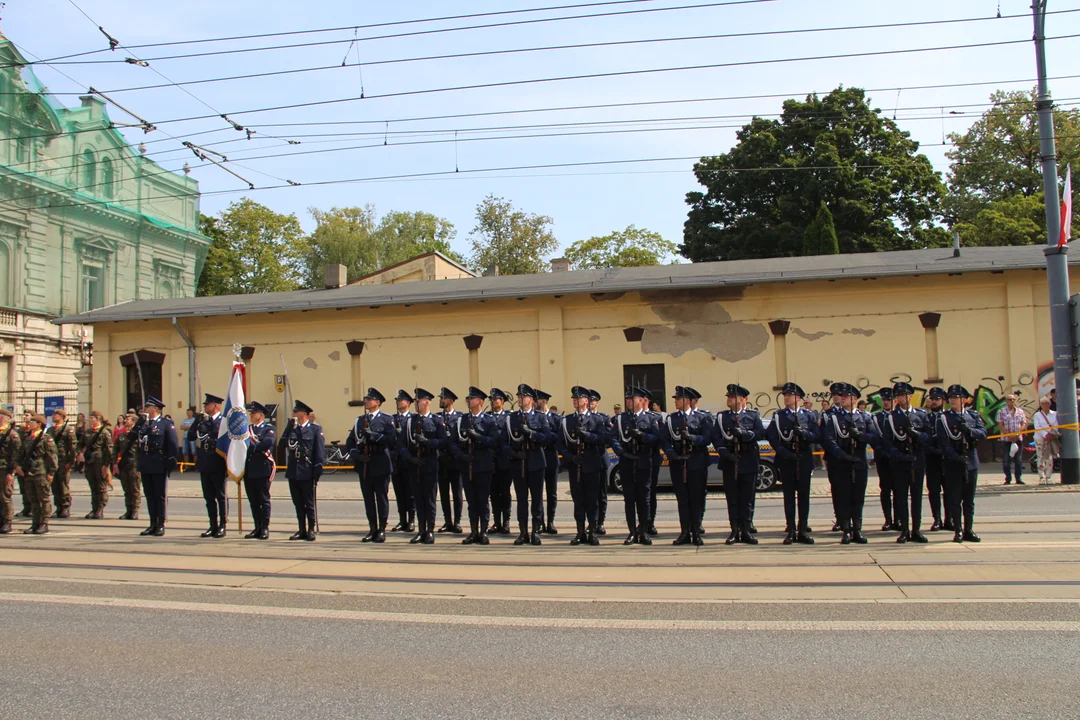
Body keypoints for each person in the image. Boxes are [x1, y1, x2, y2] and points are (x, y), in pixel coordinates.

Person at [821, 383, 877, 544]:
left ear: (854, 399)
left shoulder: (865, 417)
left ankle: (857, 529)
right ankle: (846, 530)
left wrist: (861, 436)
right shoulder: (834, 418)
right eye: (841, 396)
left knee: (858, 497)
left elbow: (875, 438)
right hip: (842, 463)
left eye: (845, 396)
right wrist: (842, 454)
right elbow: (829, 439)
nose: (842, 398)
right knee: (843, 497)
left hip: (859, 462)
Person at [713, 383, 765, 545]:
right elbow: (716, 438)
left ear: (743, 399)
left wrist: (745, 434)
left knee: (747, 498)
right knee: (733, 498)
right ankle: (734, 529)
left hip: (748, 460)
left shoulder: (752, 415)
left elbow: (761, 433)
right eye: (728, 396)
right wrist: (726, 454)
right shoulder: (722, 417)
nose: (729, 399)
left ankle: (746, 530)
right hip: (730, 462)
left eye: (733, 397)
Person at [766, 382, 817, 545]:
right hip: (787, 459)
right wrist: (784, 452)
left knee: (804, 496)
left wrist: (805, 434)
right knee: (789, 496)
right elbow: (772, 436)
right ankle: (791, 529)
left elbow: (817, 436)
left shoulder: (809, 416)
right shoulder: (779, 415)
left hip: (803, 459)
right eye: (785, 395)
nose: (786, 398)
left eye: (790, 395)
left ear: (798, 398)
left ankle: (803, 529)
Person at [936, 385, 988, 542]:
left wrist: (969, 431)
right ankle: (957, 530)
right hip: (954, 463)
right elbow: (943, 442)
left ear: (963, 400)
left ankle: (968, 529)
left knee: (969, 499)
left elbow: (983, 433)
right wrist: (955, 457)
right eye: (950, 397)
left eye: (956, 397)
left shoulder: (972, 416)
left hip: (971, 462)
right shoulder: (944, 418)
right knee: (955, 498)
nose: (952, 400)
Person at [449, 387, 500, 545]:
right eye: (468, 398)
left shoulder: (489, 420)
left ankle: (483, 532)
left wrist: (478, 436)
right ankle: (473, 531)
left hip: (483, 465)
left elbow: (494, 441)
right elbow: (452, 442)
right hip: (467, 465)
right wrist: (460, 455)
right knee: (471, 501)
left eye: (471, 398)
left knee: (483, 501)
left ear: (479, 401)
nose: (469, 401)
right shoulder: (461, 420)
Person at [557, 386, 607, 546]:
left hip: (592, 464)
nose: (575, 401)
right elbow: (560, 443)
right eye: (573, 398)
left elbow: (603, 439)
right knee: (578, 500)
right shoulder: (567, 421)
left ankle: (591, 531)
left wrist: (587, 435)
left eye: (578, 398)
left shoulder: (597, 419)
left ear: (587, 401)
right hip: (575, 466)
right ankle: (579, 532)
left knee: (592, 500)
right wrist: (570, 457)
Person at [346, 388, 396, 543]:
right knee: (368, 499)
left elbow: (392, 440)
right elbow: (350, 441)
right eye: (366, 399)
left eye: (370, 399)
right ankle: (372, 528)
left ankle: (381, 529)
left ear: (377, 402)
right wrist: (357, 455)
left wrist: (375, 436)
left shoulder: (387, 420)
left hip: (380, 463)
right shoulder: (359, 420)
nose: (367, 401)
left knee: (381, 498)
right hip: (365, 465)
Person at [504, 384, 552, 546]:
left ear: (531, 399)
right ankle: (523, 532)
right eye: (518, 396)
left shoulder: (540, 417)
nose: (519, 399)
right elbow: (503, 442)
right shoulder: (511, 418)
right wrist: (515, 454)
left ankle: (535, 532)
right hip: (519, 462)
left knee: (537, 499)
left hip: (536, 462)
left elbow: (547, 438)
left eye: (523, 396)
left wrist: (531, 433)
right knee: (521, 499)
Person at [611, 386, 659, 546]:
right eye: (627, 399)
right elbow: (613, 438)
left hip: (644, 460)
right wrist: (621, 452)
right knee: (629, 499)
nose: (629, 402)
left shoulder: (651, 418)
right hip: (627, 461)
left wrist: (642, 436)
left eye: (632, 399)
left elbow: (657, 438)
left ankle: (643, 531)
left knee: (644, 498)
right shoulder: (620, 419)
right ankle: (632, 532)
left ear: (641, 400)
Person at [885, 382, 932, 544]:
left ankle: (916, 529)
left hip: (917, 460)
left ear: (910, 397)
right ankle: (904, 530)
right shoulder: (891, 417)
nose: (901, 397)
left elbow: (929, 436)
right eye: (898, 395)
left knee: (917, 496)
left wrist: (917, 435)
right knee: (901, 496)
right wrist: (897, 454)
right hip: (900, 462)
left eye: (904, 395)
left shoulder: (921, 414)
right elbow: (887, 441)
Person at [400, 388, 447, 545]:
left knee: (429, 499)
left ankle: (430, 531)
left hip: (430, 463)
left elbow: (443, 442)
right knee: (418, 499)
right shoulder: (409, 422)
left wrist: (428, 442)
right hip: (415, 465)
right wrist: (409, 457)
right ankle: (421, 530)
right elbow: (401, 443)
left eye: (418, 401)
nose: (415, 404)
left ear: (426, 402)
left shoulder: (436, 420)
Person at [664, 386, 710, 546]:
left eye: (679, 399)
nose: (676, 401)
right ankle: (684, 532)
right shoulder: (671, 419)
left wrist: (693, 438)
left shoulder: (701, 418)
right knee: (682, 500)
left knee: (696, 499)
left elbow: (707, 438)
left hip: (696, 462)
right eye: (675, 399)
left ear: (689, 401)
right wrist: (672, 454)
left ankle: (696, 532)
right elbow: (664, 439)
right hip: (678, 463)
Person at [135, 397, 179, 537]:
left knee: (159, 495)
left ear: (155, 409)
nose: (145, 408)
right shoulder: (143, 424)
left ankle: (161, 524)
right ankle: (152, 523)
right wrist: (138, 424)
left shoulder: (166, 424)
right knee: (149, 495)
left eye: (148, 406)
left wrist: (170, 464)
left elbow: (172, 445)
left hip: (159, 463)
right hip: (146, 462)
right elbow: (132, 438)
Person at [189, 393, 229, 538]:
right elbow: (191, 436)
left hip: (218, 462)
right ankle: (212, 525)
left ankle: (223, 525)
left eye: (208, 404)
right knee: (208, 497)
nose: (205, 407)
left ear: (216, 405)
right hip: (205, 461)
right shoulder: (203, 421)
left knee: (220, 495)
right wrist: (196, 421)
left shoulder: (223, 421)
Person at [284, 400, 323, 541]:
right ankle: (301, 529)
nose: (294, 413)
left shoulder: (315, 429)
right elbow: (282, 444)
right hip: (294, 471)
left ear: (304, 413)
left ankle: (311, 529)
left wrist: (317, 472)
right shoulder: (293, 429)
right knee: (298, 502)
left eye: (296, 411)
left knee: (309, 502)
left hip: (307, 471)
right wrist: (288, 428)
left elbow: (319, 453)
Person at [16, 414, 57, 535]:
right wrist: (18, 466)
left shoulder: (46, 438)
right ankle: (35, 523)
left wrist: (51, 472)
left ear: (39, 424)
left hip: (41, 472)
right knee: (33, 499)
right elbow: (21, 454)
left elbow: (52, 457)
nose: (30, 424)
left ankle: (44, 523)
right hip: (29, 472)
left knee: (43, 499)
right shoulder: (28, 438)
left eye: (33, 422)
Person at [244, 401, 276, 540]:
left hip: (263, 468)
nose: (251, 415)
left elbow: (267, 443)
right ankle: (257, 527)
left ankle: (265, 527)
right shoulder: (247, 429)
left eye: (253, 413)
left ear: (261, 415)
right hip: (249, 469)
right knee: (253, 500)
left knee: (264, 499)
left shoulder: (268, 429)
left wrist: (252, 448)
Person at [868, 388, 897, 532]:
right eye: (884, 400)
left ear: (894, 401)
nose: (886, 402)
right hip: (883, 458)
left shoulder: (899, 417)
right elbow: (874, 438)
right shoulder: (876, 418)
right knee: (885, 490)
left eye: (889, 400)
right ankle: (888, 519)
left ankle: (899, 519)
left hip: (898, 458)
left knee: (899, 490)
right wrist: (882, 451)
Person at [686, 387, 713, 535]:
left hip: (699, 459)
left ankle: (698, 521)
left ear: (695, 401)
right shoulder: (678, 417)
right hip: (684, 461)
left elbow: (707, 438)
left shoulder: (704, 416)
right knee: (686, 495)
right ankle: (688, 523)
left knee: (700, 494)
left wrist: (693, 439)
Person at [436, 388, 464, 534]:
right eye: (441, 398)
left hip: (455, 460)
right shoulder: (437, 417)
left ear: (451, 401)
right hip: (442, 460)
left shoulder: (460, 418)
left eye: (444, 398)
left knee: (457, 492)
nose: (441, 400)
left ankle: (458, 521)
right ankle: (448, 521)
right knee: (444, 493)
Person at [76, 411, 113, 519]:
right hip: (89, 461)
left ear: (98, 419)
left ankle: (100, 509)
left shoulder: (105, 432)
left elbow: (109, 450)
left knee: (101, 486)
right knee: (93, 486)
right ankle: (94, 508)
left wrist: (106, 465)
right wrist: (80, 453)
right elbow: (79, 444)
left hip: (99, 461)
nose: (90, 420)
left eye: (92, 418)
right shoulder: (87, 432)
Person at [390, 390, 416, 533]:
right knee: (399, 491)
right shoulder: (392, 419)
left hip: (409, 459)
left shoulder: (413, 418)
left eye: (401, 400)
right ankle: (402, 520)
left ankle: (411, 520)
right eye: (397, 400)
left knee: (410, 492)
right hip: (396, 460)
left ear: (408, 403)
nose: (399, 403)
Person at [923, 387, 949, 531]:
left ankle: (949, 518)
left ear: (943, 401)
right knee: (933, 490)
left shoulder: (948, 417)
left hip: (947, 459)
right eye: (932, 399)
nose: (933, 402)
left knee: (949, 490)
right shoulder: (926, 418)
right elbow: (924, 439)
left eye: (937, 399)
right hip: (932, 459)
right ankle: (937, 519)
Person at [488, 388, 513, 535]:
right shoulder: (487, 417)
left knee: (505, 492)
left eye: (495, 399)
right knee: (493, 493)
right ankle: (496, 522)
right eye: (491, 400)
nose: (493, 402)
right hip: (491, 460)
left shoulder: (508, 417)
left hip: (505, 460)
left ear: (502, 402)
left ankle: (506, 522)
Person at [536, 389, 561, 534]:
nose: (535, 403)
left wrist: (545, 437)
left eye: (537, 400)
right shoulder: (534, 418)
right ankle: (540, 522)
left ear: (544, 402)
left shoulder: (555, 418)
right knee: (537, 492)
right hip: (538, 456)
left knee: (552, 492)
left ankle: (550, 522)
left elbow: (557, 437)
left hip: (551, 456)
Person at [588, 389, 611, 535]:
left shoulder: (604, 418)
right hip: (588, 460)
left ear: (597, 403)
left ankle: (601, 522)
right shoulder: (583, 419)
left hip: (601, 458)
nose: (590, 404)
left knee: (601, 494)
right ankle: (592, 522)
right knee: (590, 494)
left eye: (593, 401)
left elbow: (608, 437)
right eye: (588, 401)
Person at [47, 408, 76, 519]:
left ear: (62, 416)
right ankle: (58, 507)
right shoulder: (50, 430)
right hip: (52, 461)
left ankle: (65, 507)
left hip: (63, 461)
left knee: (63, 485)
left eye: (56, 414)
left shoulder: (68, 430)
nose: (54, 416)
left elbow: (72, 448)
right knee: (55, 486)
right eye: (54, 414)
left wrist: (70, 463)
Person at [113, 413, 141, 520]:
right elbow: (115, 450)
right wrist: (114, 464)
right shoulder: (122, 435)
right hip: (123, 465)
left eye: (128, 419)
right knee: (126, 489)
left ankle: (135, 511)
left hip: (134, 465)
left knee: (135, 489)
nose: (125, 420)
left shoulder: (138, 435)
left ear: (134, 422)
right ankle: (128, 510)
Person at [996, 394, 1027, 485]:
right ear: (1006, 401)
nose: (1012, 401)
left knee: (1018, 460)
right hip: (1006, 439)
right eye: (1009, 399)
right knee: (1006, 460)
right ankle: (1008, 478)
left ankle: (1018, 478)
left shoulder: (1020, 411)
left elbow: (1024, 424)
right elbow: (1000, 425)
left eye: (1013, 399)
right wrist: (1009, 434)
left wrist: (1017, 433)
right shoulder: (1002, 411)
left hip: (1018, 439)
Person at [0, 409, 22, 534]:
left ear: (5, 418)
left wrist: (12, 472)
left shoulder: (12, 435)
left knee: (5, 496)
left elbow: (16, 455)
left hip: (5, 469)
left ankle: (7, 521)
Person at [1033, 396, 1059, 484]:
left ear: (1050, 404)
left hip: (1051, 437)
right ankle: (1041, 476)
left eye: (1047, 403)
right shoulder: (1037, 415)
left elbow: (1056, 425)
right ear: (1040, 405)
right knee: (1040, 456)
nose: (1045, 405)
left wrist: (1051, 434)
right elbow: (1037, 427)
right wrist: (1045, 434)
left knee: (1049, 457)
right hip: (1039, 437)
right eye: (1043, 403)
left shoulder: (1054, 414)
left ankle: (1048, 476)